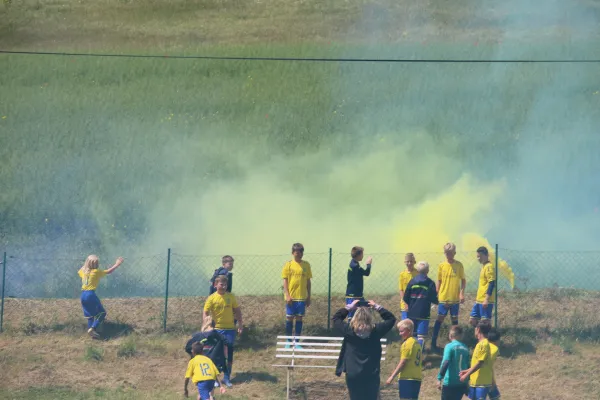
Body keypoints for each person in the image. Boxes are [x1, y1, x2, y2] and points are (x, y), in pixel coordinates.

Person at [333, 299, 396, 400]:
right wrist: (377, 306)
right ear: (369, 318)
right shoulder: (376, 331)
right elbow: (391, 319)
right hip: (371, 374)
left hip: (353, 373)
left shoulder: (349, 331)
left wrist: (349, 307)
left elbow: (336, 318)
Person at [203, 275, 243, 388]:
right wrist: (206, 326)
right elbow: (205, 312)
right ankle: (215, 379)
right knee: (216, 355)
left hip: (230, 330)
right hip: (217, 330)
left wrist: (240, 324)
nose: (224, 286)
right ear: (215, 285)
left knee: (229, 354)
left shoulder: (231, 297)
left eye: (225, 284)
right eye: (221, 284)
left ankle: (227, 378)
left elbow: (238, 311)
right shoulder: (211, 298)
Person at [77, 255, 124, 339]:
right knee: (102, 313)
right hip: (90, 294)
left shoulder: (83, 271)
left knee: (90, 316)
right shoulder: (96, 272)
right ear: (96, 264)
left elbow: (80, 270)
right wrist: (117, 264)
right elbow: (109, 271)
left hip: (83, 295)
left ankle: (92, 333)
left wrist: (86, 264)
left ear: (87, 263)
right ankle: (93, 328)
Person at [432, 243, 466, 353]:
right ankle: (433, 343)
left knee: (454, 321)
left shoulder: (459, 265)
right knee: (439, 319)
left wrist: (461, 293)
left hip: (455, 299)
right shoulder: (442, 265)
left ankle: (456, 344)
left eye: (450, 253)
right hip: (443, 298)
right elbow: (439, 280)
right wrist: (436, 293)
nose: (448, 255)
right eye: (446, 253)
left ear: (454, 253)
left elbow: (463, 280)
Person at [184, 316, 230, 388]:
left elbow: (187, 347)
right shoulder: (218, 335)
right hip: (215, 362)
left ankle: (210, 380)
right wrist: (225, 356)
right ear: (214, 325)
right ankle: (215, 379)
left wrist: (193, 355)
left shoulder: (198, 335)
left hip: (201, 362)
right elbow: (227, 343)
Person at [281, 243, 312, 348]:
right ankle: (289, 342)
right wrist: (287, 295)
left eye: (301, 252)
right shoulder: (288, 265)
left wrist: (308, 296)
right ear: (293, 253)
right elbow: (285, 282)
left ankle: (297, 342)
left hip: (301, 297)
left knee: (299, 318)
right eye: (297, 253)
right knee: (289, 318)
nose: (299, 255)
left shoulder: (306, 265)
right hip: (291, 297)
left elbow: (308, 281)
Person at [403, 261, 439, 350]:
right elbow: (433, 298)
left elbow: (405, 297)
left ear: (418, 271)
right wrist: (438, 301)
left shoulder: (412, 281)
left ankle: (411, 352)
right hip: (424, 313)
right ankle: (420, 354)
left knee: (412, 334)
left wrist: (410, 305)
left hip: (412, 313)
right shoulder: (430, 283)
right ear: (428, 270)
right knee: (421, 336)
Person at [386, 319, 423, 400]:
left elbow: (403, 362)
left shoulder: (407, 344)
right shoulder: (416, 343)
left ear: (409, 331)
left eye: (402, 331)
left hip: (407, 378)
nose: (400, 334)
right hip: (417, 378)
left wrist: (392, 376)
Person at [459, 321, 493, 400]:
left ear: (478, 329)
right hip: (475, 382)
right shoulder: (479, 344)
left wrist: (466, 375)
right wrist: (467, 371)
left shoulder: (484, 344)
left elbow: (480, 363)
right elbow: (476, 363)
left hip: (482, 382)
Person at [437, 325, 470, 400]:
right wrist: (467, 381)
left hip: (450, 382)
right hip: (462, 382)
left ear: (450, 335)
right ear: (461, 336)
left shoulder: (449, 346)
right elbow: (468, 365)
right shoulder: (465, 347)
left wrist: (439, 378)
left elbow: (446, 362)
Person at [470, 247, 496, 328]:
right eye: (477, 256)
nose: (478, 258)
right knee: (472, 320)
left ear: (486, 255)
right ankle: (481, 335)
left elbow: (492, 283)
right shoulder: (483, 266)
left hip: (485, 300)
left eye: (480, 256)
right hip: (479, 300)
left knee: (485, 323)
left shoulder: (489, 267)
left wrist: (486, 299)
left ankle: (488, 338)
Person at [345, 246, 372, 320]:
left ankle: (363, 328)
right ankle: (350, 330)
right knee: (352, 316)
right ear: (358, 255)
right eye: (362, 254)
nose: (363, 256)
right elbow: (366, 273)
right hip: (353, 295)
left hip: (358, 294)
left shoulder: (353, 263)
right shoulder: (355, 266)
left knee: (365, 311)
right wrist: (368, 264)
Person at [399, 253, 418, 320]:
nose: (409, 263)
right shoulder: (402, 274)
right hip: (405, 305)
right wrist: (405, 303)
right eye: (407, 261)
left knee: (414, 323)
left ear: (414, 262)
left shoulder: (418, 273)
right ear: (405, 262)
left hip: (415, 303)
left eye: (411, 261)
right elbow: (401, 290)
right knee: (405, 324)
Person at [487, 328, 501, 400]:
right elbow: (488, 366)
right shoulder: (495, 349)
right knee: (495, 398)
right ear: (497, 340)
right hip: (487, 378)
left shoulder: (483, 344)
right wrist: (492, 381)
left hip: (476, 378)